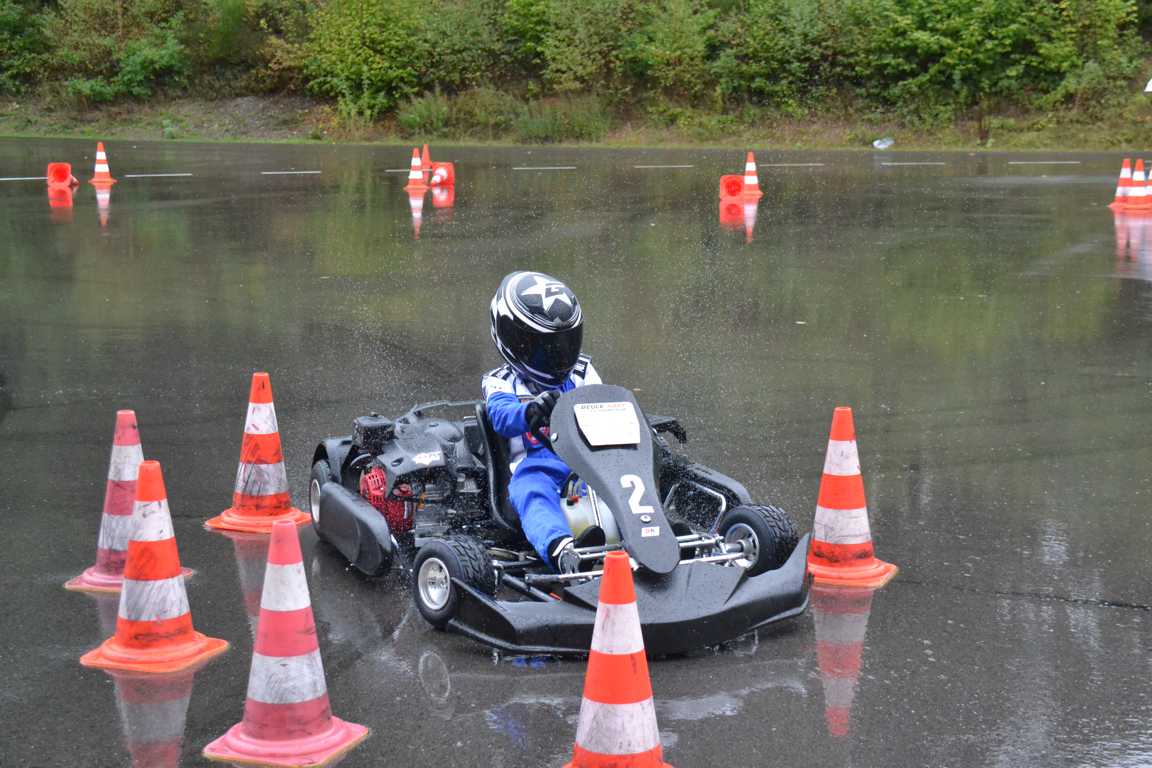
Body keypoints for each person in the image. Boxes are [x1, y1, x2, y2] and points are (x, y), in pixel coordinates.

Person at [482, 271, 603, 572]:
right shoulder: (501, 382)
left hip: (588, 461)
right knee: (532, 492)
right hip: (535, 464)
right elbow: (500, 417)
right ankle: (563, 550)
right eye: (545, 347)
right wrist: (531, 412)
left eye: (565, 344)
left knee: (627, 480)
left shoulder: (583, 372)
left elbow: (605, 407)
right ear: (513, 340)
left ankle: (653, 534)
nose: (559, 356)